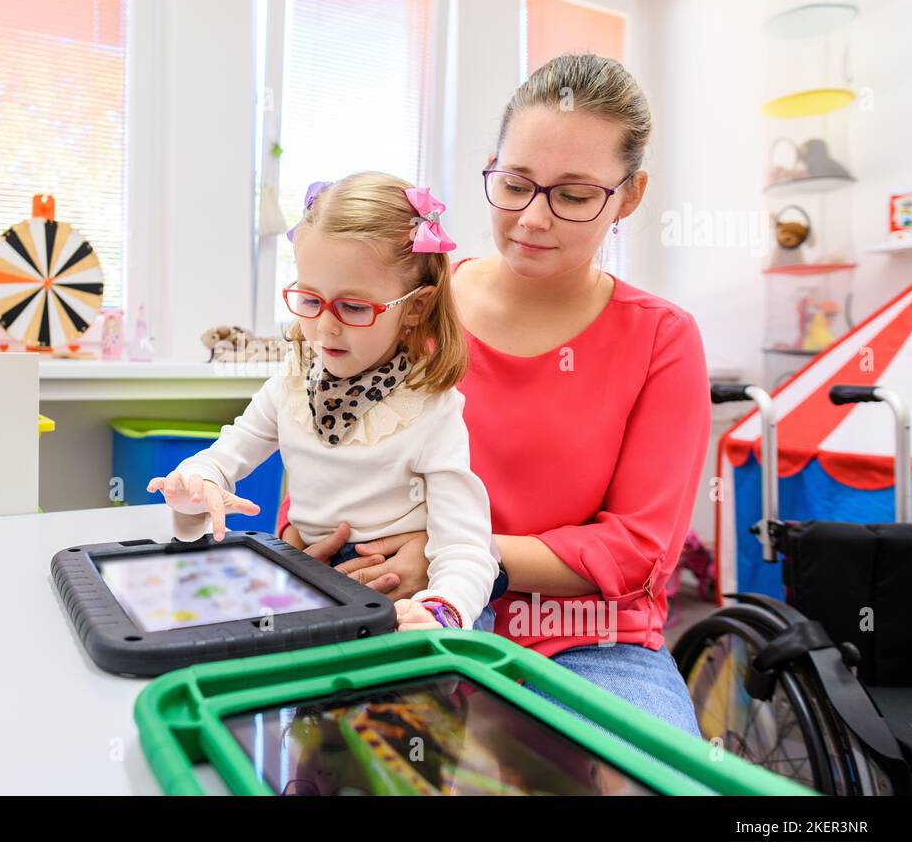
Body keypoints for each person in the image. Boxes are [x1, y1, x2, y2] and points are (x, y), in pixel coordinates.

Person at [279, 54, 710, 737]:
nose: (533, 220)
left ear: (629, 195)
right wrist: (325, 548)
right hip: (405, 612)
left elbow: (638, 550)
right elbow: (320, 470)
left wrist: (458, 551)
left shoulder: (662, 340)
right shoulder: (411, 307)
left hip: (585, 642)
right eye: (515, 184)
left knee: (650, 776)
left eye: (573, 196)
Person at [148, 172, 501, 633]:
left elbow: (466, 547)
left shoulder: (431, 409)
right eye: (310, 299)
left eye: (354, 308)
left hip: (413, 598)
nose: (325, 328)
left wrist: (442, 609)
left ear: (415, 307)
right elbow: (224, 456)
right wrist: (198, 485)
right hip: (317, 581)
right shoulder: (290, 386)